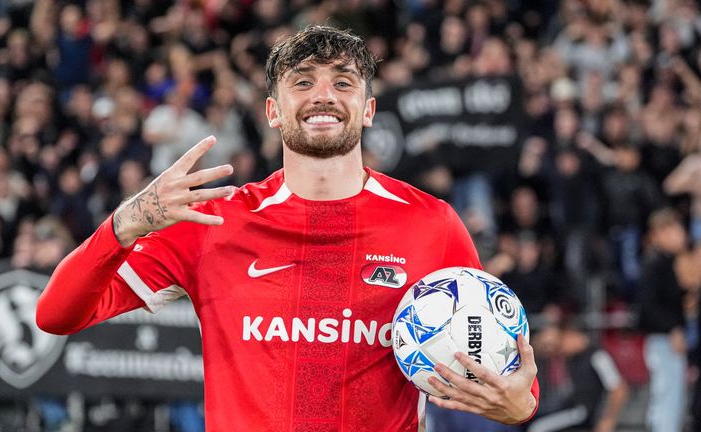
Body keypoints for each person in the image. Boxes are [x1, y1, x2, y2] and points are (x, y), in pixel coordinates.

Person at [36, 26, 539, 431]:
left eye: (343, 82)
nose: (324, 95)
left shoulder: (431, 223)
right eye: (302, 82)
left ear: (368, 110)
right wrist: (128, 221)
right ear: (273, 112)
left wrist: (516, 406)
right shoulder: (211, 220)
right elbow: (56, 315)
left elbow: (517, 390)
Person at [637, 208, 689, 432]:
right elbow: (647, 307)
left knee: (671, 399)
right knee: (667, 399)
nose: (681, 235)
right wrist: (673, 329)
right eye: (675, 229)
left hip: (665, 338)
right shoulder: (653, 262)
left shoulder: (666, 261)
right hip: (662, 340)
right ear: (661, 232)